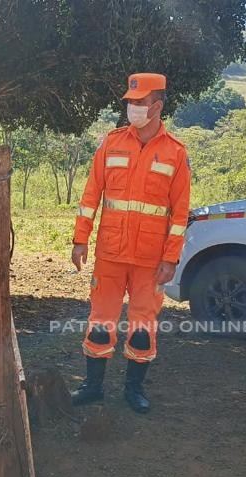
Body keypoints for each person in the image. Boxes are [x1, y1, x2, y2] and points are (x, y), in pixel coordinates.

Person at [69, 72, 191, 414]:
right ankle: (93, 387)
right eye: (130, 102)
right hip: (110, 253)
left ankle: (134, 390)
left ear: (157, 105)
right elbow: (91, 194)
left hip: (150, 261)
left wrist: (171, 258)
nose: (132, 108)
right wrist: (80, 238)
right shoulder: (111, 142)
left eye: (139, 103)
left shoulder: (175, 153)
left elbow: (180, 213)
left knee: (141, 329)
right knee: (100, 323)